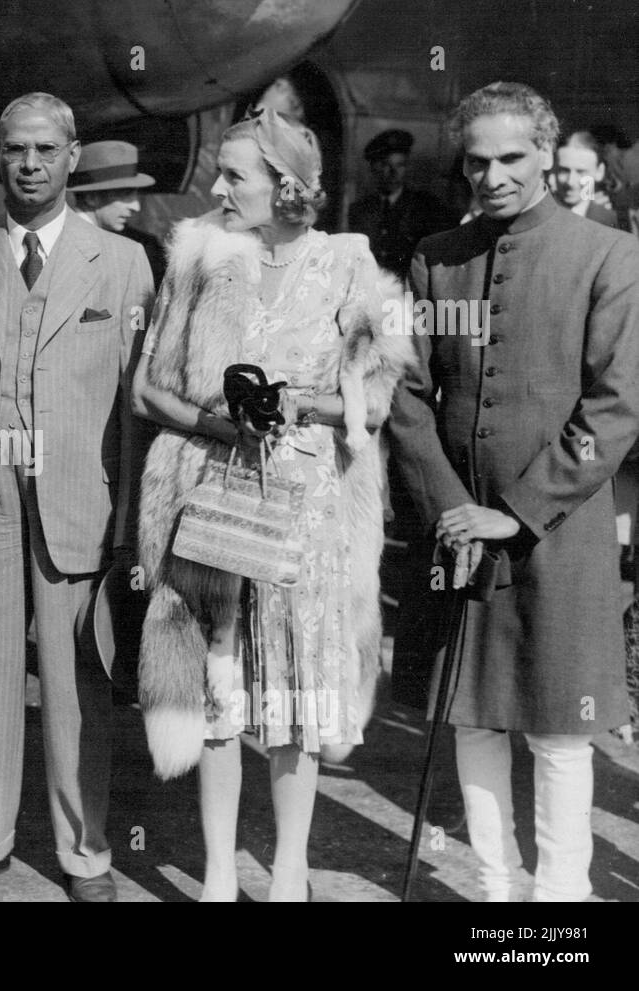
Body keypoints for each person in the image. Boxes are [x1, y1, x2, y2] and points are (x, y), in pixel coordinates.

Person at [132, 107, 412, 902]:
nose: (215, 188)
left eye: (235, 176)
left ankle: (290, 867)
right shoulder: (197, 257)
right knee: (218, 689)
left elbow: (381, 389)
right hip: (213, 497)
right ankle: (220, 869)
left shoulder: (350, 265)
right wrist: (225, 422)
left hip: (313, 510)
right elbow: (148, 389)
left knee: (296, 693)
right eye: (218, 172)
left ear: (288, 188)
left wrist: (304, 406)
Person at [390, 82, 639, 901]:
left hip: (559, 531)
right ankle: (496, 892)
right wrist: (449, 507)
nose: (491, 176)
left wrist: (519, 510)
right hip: (457, 527)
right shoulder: (436, 256)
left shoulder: (608, 255)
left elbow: (617, 404)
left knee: (560, 728)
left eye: (511, 158)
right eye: (476, 162)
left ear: (545, 151)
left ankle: (559, 899)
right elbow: (405, 393)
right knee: (473, 714)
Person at [0, 92, 152, 901]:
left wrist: (131, 525)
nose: (28, 164)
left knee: (77, 686)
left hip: (80, 501)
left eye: (45, 149)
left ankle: (85, 852)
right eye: (15, 149)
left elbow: (135, 410)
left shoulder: (120, 262)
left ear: (73, 155)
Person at [348, 128, 455, 279]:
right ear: (374, 168)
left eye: (400, 165)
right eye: (386, 165)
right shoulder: (360, 210)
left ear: (407, 168)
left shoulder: (425, 207)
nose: (393, 172)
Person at [69, 139, 166, 288]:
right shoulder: (55, 240)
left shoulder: (141, 246)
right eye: (125, 194)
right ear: (92, 197)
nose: (136, 206)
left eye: (136, 195)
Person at [553, 132, 619, 227]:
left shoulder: (611, 221)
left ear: (599, 172)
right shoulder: (534, 216)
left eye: (581, 172)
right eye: (564, 171)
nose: (571, 181)